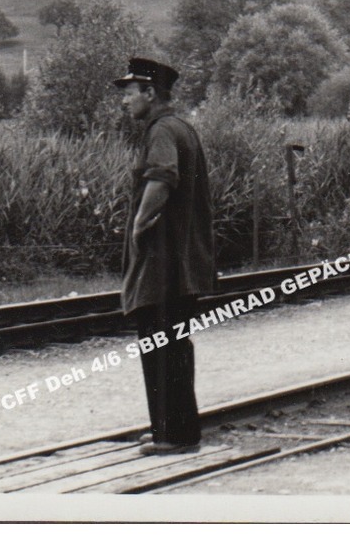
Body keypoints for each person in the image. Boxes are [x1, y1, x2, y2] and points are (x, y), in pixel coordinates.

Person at [115, 56, 215, 456]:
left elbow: (162, 178)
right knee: (171, 343)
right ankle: (168, 428)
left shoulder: (161, 132)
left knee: (161, 343)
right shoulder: (181, 128)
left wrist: (139, 225)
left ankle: (175, 435)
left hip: (163, 262)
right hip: (181, 262)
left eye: (129, 93)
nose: (124, 101)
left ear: (150, 93)